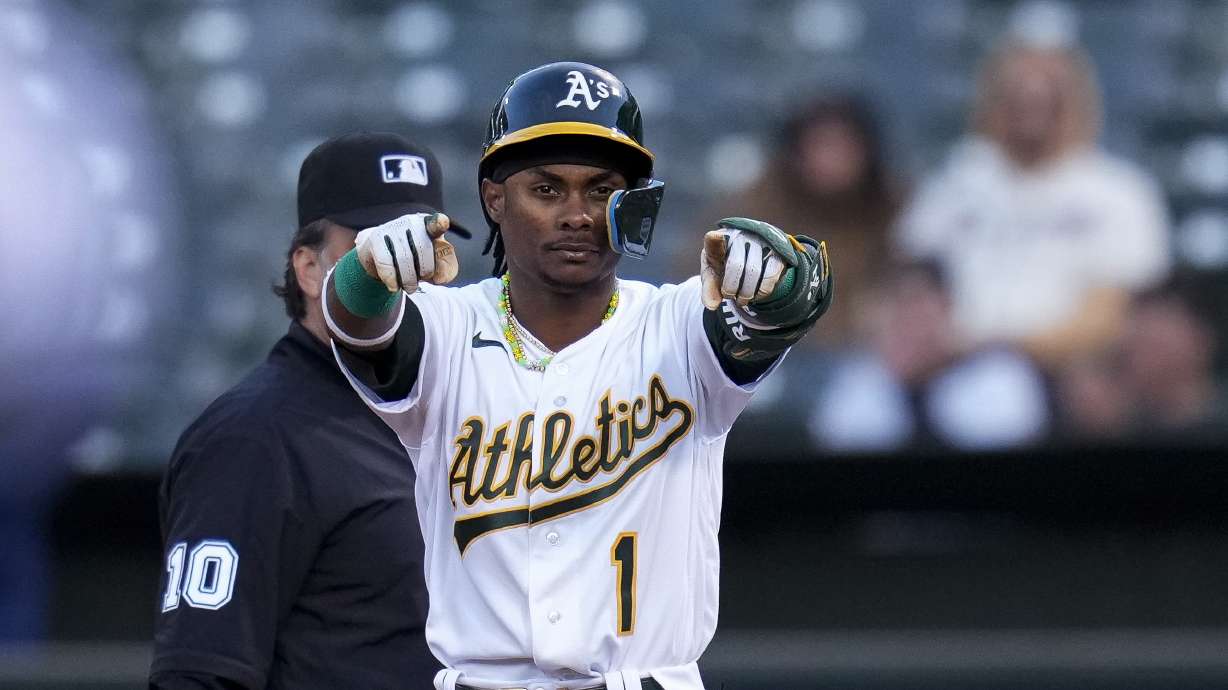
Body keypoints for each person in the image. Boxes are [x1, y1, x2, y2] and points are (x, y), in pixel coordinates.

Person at [321, 62, 833, 690]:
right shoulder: (447, 327)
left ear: (634, 203)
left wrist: (776, 270)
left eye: (601, 190)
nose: (577, 214)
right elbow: (359, 326)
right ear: (493, 198)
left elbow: (789, 304)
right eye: (546, 189)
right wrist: (362, 272)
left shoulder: (679, 323)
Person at [150, 132, 470, 690]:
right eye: (381, 248)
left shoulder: (464, 410)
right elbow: (199, 673)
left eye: (426, 244)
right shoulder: (254, 436)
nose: (409, 267)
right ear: (309, 267)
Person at [895, 39, 1170, 371]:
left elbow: (1112, 314)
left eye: (1046, 96)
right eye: (1017, 98)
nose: (1031, 106)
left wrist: (1011, 348)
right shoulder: (953, 185)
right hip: (942, 367)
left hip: (1066, 372)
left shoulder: (1119, 192)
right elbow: (905, 283)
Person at [684, 93, 901, 349]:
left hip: (863, 356)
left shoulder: (895, 212)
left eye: (844, 146)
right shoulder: (754, 211)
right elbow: (701, 282)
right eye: (822, 145)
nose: (834, 159)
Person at [811, 261, 1049, 452]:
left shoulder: (998, 376)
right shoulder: (858, 382)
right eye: (893, 309)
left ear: (948, 309)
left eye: (916, 307)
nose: (904, 323)